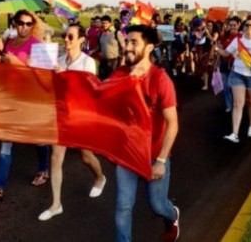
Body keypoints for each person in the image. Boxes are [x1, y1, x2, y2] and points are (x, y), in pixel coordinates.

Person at [109, 24, 180, 242]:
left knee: (157, 205)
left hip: (154, 154)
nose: (127, 46)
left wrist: (160, 160)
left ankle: (173, 215)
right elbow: (98, 100)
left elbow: (173, 124)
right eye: (126, 41)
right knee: (123, 206)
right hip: (127, 154)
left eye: (133, 42)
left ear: (149, 48)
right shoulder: (120, 74)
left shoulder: (160, 79)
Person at [0, 9, 51, 199]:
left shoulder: (38, 45)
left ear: (33, 25)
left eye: (28, 24)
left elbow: (42, 76)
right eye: (21, 23)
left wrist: (16, 62)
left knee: (38, 139)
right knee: (6, 142)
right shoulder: (9, 42)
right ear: (14, 23)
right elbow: (2, 69)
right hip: (10, 98)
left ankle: (43, 170)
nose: (24, 27)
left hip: (30, 100)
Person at [38, 23, 107, 221]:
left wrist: (65, 77)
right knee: (56, 158)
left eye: (70, 37)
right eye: (64, 36)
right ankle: (56, 204)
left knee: (86, 157)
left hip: (81, 116)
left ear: (81, 40)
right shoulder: (58, 60)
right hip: (61, 116)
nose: (66, 40)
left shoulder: (88, 63)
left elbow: (88, 92)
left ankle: (100, 178)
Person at [216, 15, 251, 143]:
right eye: (246, 25)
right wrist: (217, 49)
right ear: (243, 27)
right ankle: (234, 133)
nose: (249, 27)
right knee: (237, 103)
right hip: (237, 74)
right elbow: (226, 53)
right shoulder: (238, 41)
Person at [98, 15, 124, 80]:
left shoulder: (116, 33)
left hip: (114, 62)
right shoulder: (100, 34)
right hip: (103, 62)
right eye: (103, 23)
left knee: (113, 80)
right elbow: (100, 47)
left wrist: (123, 61)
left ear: (110, 23)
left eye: (106, 23)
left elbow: (124, 47)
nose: (104, 25)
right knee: (102, 80)